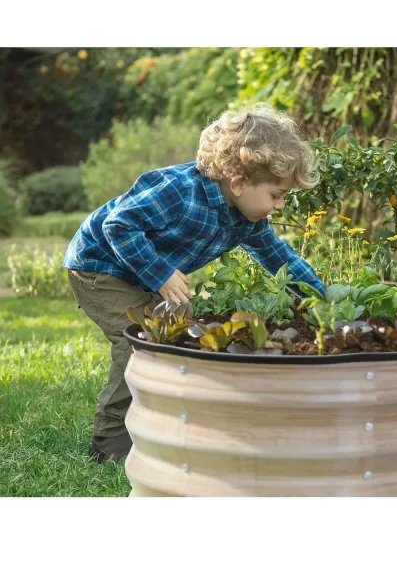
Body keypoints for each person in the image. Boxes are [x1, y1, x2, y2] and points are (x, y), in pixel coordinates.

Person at [64, 103, 325, 463]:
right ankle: (108, 443)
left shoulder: (246, 219)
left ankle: (162, 418)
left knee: (179, 324)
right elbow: (118, 227)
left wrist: (321, 297)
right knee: (140, 339)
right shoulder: (179, 191)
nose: (279, 206)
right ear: (239, 183)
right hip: (99, 265)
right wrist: (160, 274)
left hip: (138, 266)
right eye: (276, 195)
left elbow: (280, 259)